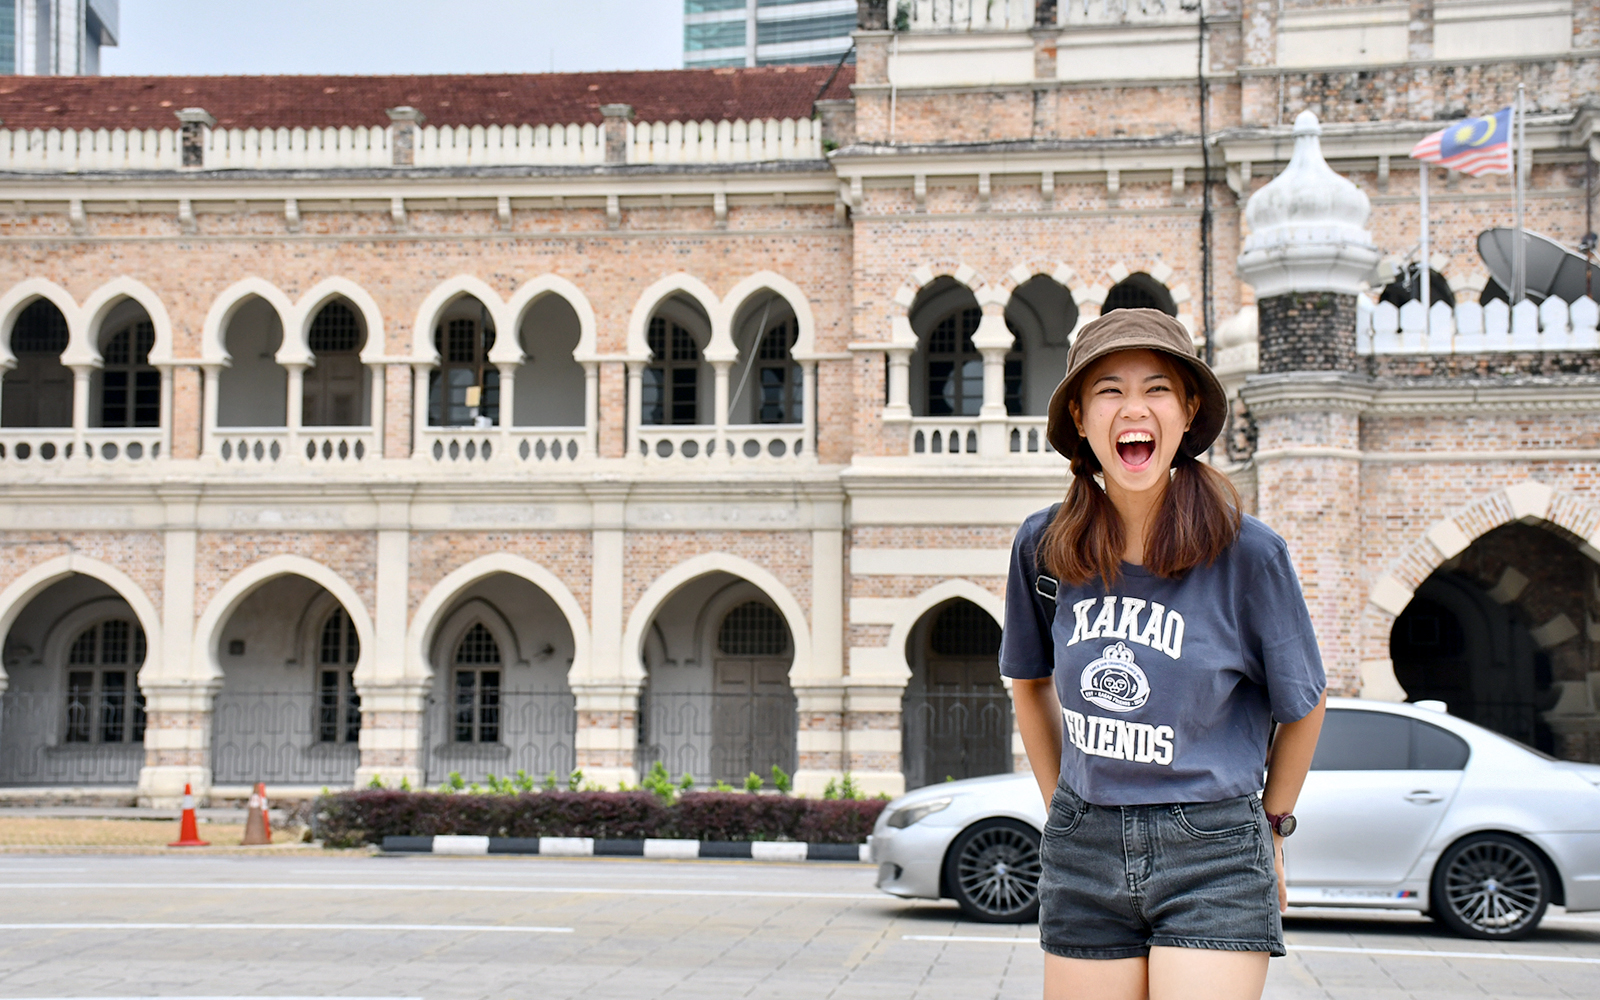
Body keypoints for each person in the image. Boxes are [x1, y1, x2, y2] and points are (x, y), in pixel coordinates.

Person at [1000, 308, 1327, 1000]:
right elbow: (1027, 681)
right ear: (1081, 422)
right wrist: (1062, 807)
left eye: (1156, 389)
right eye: (1109, 391)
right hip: (1084, 847)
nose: (1133, 408)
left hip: (1212, 846)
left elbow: (1305, 701)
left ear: (1187, 413)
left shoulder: (1248, 553)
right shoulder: (1044, 547)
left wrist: (1271, 827)